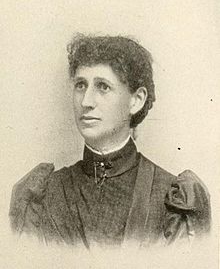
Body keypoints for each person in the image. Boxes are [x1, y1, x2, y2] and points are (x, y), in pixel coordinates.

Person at [9, 34, 211, 249]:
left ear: (136, 100)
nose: (86, 102)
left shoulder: (173, 201)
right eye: (80, 85)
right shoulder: (42, 196)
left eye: (103, 87)